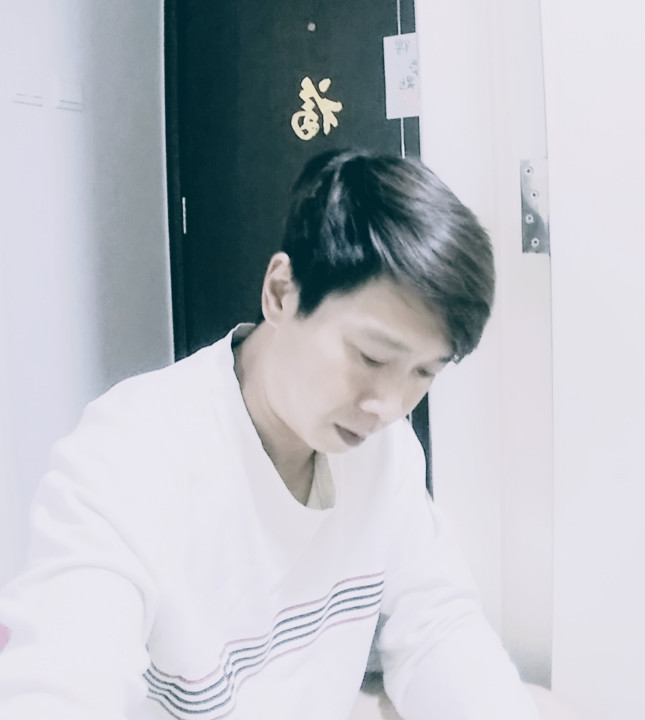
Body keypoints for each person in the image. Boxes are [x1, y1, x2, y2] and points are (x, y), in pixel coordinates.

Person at [0, 149, 541, 719]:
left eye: (425, 373)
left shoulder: (384, 450)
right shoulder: (131, 455)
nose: (390, 405)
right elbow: (60, 677)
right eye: (372, 356)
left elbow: (436, 624)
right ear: (281, 292)